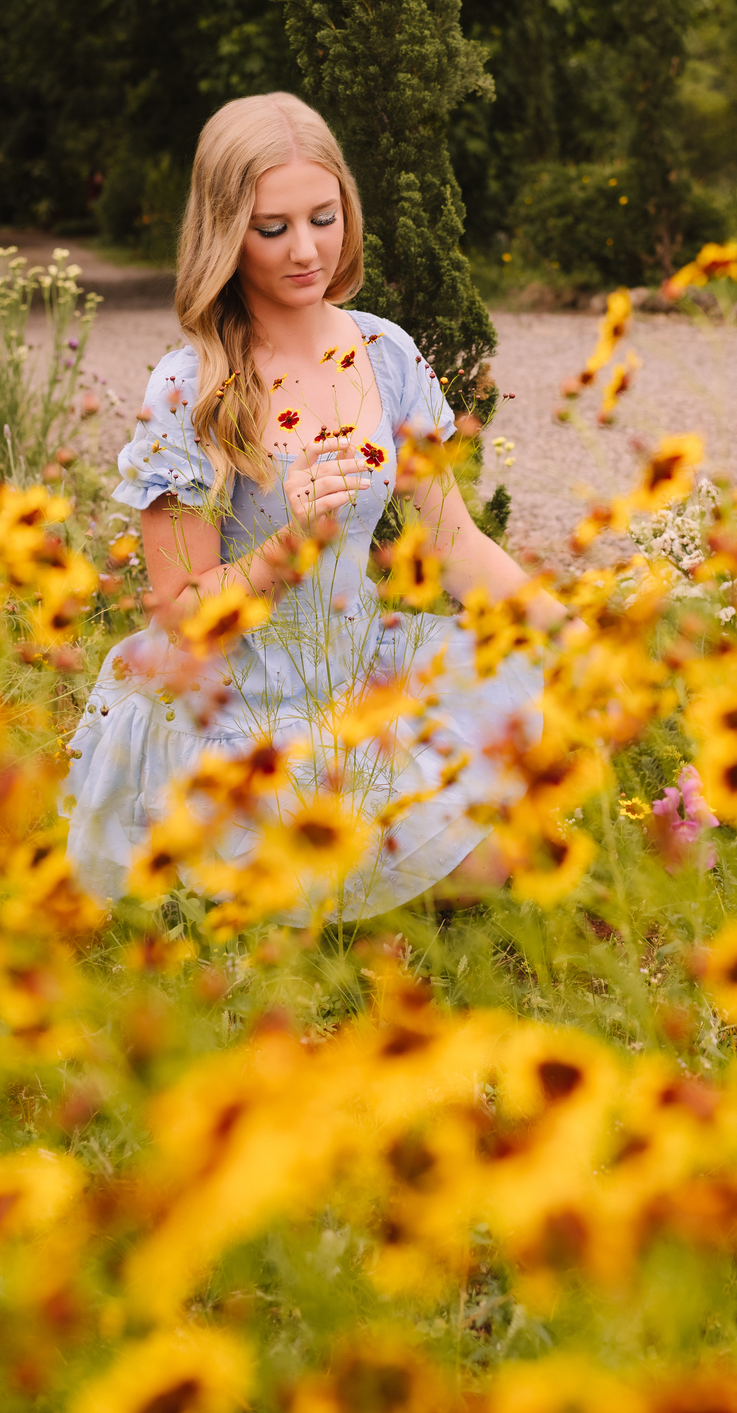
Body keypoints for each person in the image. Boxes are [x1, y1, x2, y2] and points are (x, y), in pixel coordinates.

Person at [62, 91, 562, 918]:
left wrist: (575, 639)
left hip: (365, 672)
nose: (307, 251)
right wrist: (286, 545)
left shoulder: (385, 352)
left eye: (324, 218)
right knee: (345, 905)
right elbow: (180, 611)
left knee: (509, 855)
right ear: (227, 233)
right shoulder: (190, 388)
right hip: (235, 711)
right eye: (273, 228)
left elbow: (457, 541)